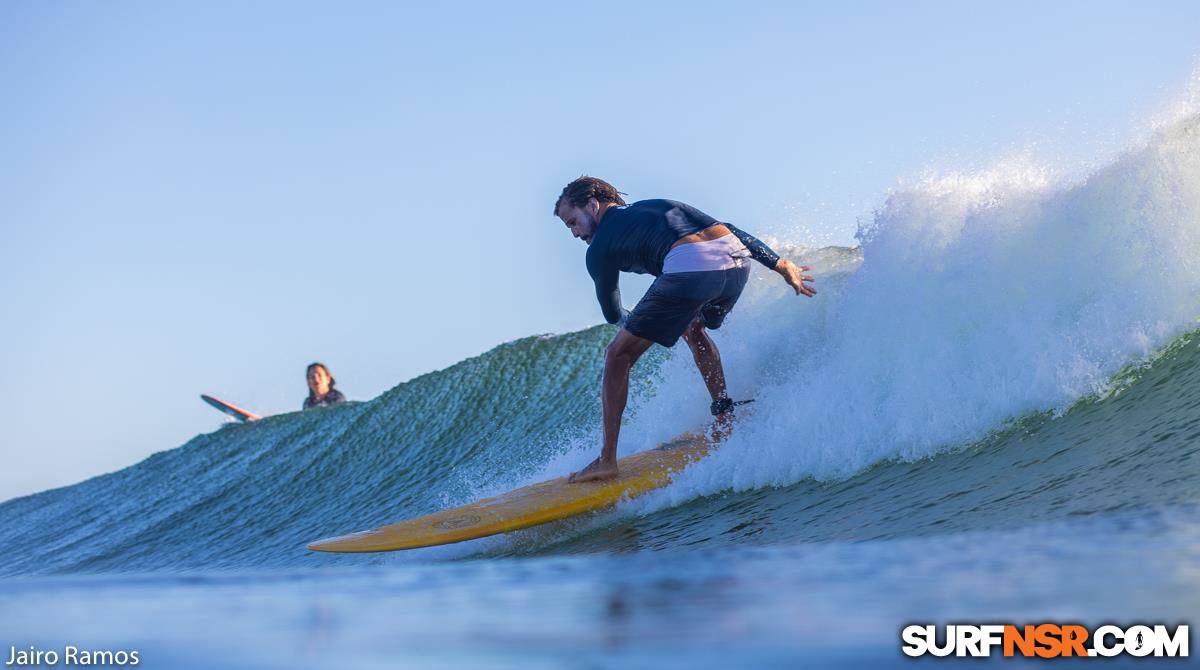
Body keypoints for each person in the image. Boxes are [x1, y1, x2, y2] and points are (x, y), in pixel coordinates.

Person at [554, 177, 816, 483]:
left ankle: (606, 460)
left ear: (592, 204)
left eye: (573, 222)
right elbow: (729, 227)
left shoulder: (598, 249)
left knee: (617, 356)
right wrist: (779, 263)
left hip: (691, 268)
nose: (574, 233)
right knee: (691, 328)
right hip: (735, 263)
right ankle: (724, 414)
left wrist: (634, 323)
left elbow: (612, 312)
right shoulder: (654, 206)